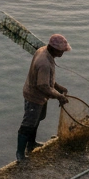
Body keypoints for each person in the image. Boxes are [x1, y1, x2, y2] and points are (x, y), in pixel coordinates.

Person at [17, 33, 71, 162]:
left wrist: (58, 87)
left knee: (37, 119)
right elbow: (43, 86)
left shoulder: (43, 50)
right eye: (61, 51)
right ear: (53, 49)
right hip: (34, 96)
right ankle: (20, 154)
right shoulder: (44, 63)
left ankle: (31, 144)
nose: (63, 53)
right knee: (28, 124)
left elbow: (46, 80)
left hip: (40, 96)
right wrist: (59, 96)